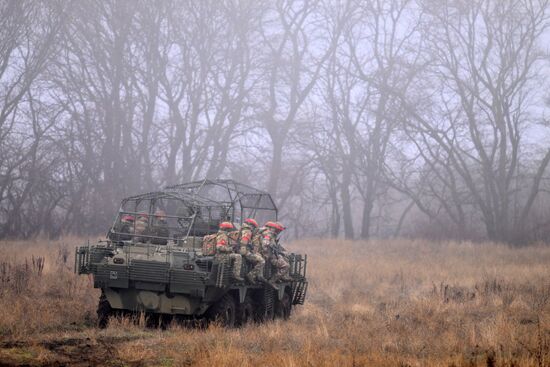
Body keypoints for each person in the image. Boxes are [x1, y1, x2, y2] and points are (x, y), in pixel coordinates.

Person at [239, 218, 266, 284]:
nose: (253, 228)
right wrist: (247, 252)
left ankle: (259, 276)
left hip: (244, 250)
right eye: (253, 227)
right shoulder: (247, 231)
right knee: (261, 261)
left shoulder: (243, 229)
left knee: (259, 255)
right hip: (244, 251)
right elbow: (244, 243)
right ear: (251, 225)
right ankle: (251, 275)